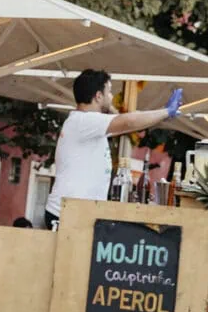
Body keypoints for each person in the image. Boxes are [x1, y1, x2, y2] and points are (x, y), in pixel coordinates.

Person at [42, 70, 183, 230]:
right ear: (98, 96)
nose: (111, 97)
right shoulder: (84, 121)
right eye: (109, 91)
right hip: (65, 214)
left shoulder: (89, 124)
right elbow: (129, 121)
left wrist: (162, 113)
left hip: (76, 214)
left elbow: (131, 123)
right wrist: (166, 111)